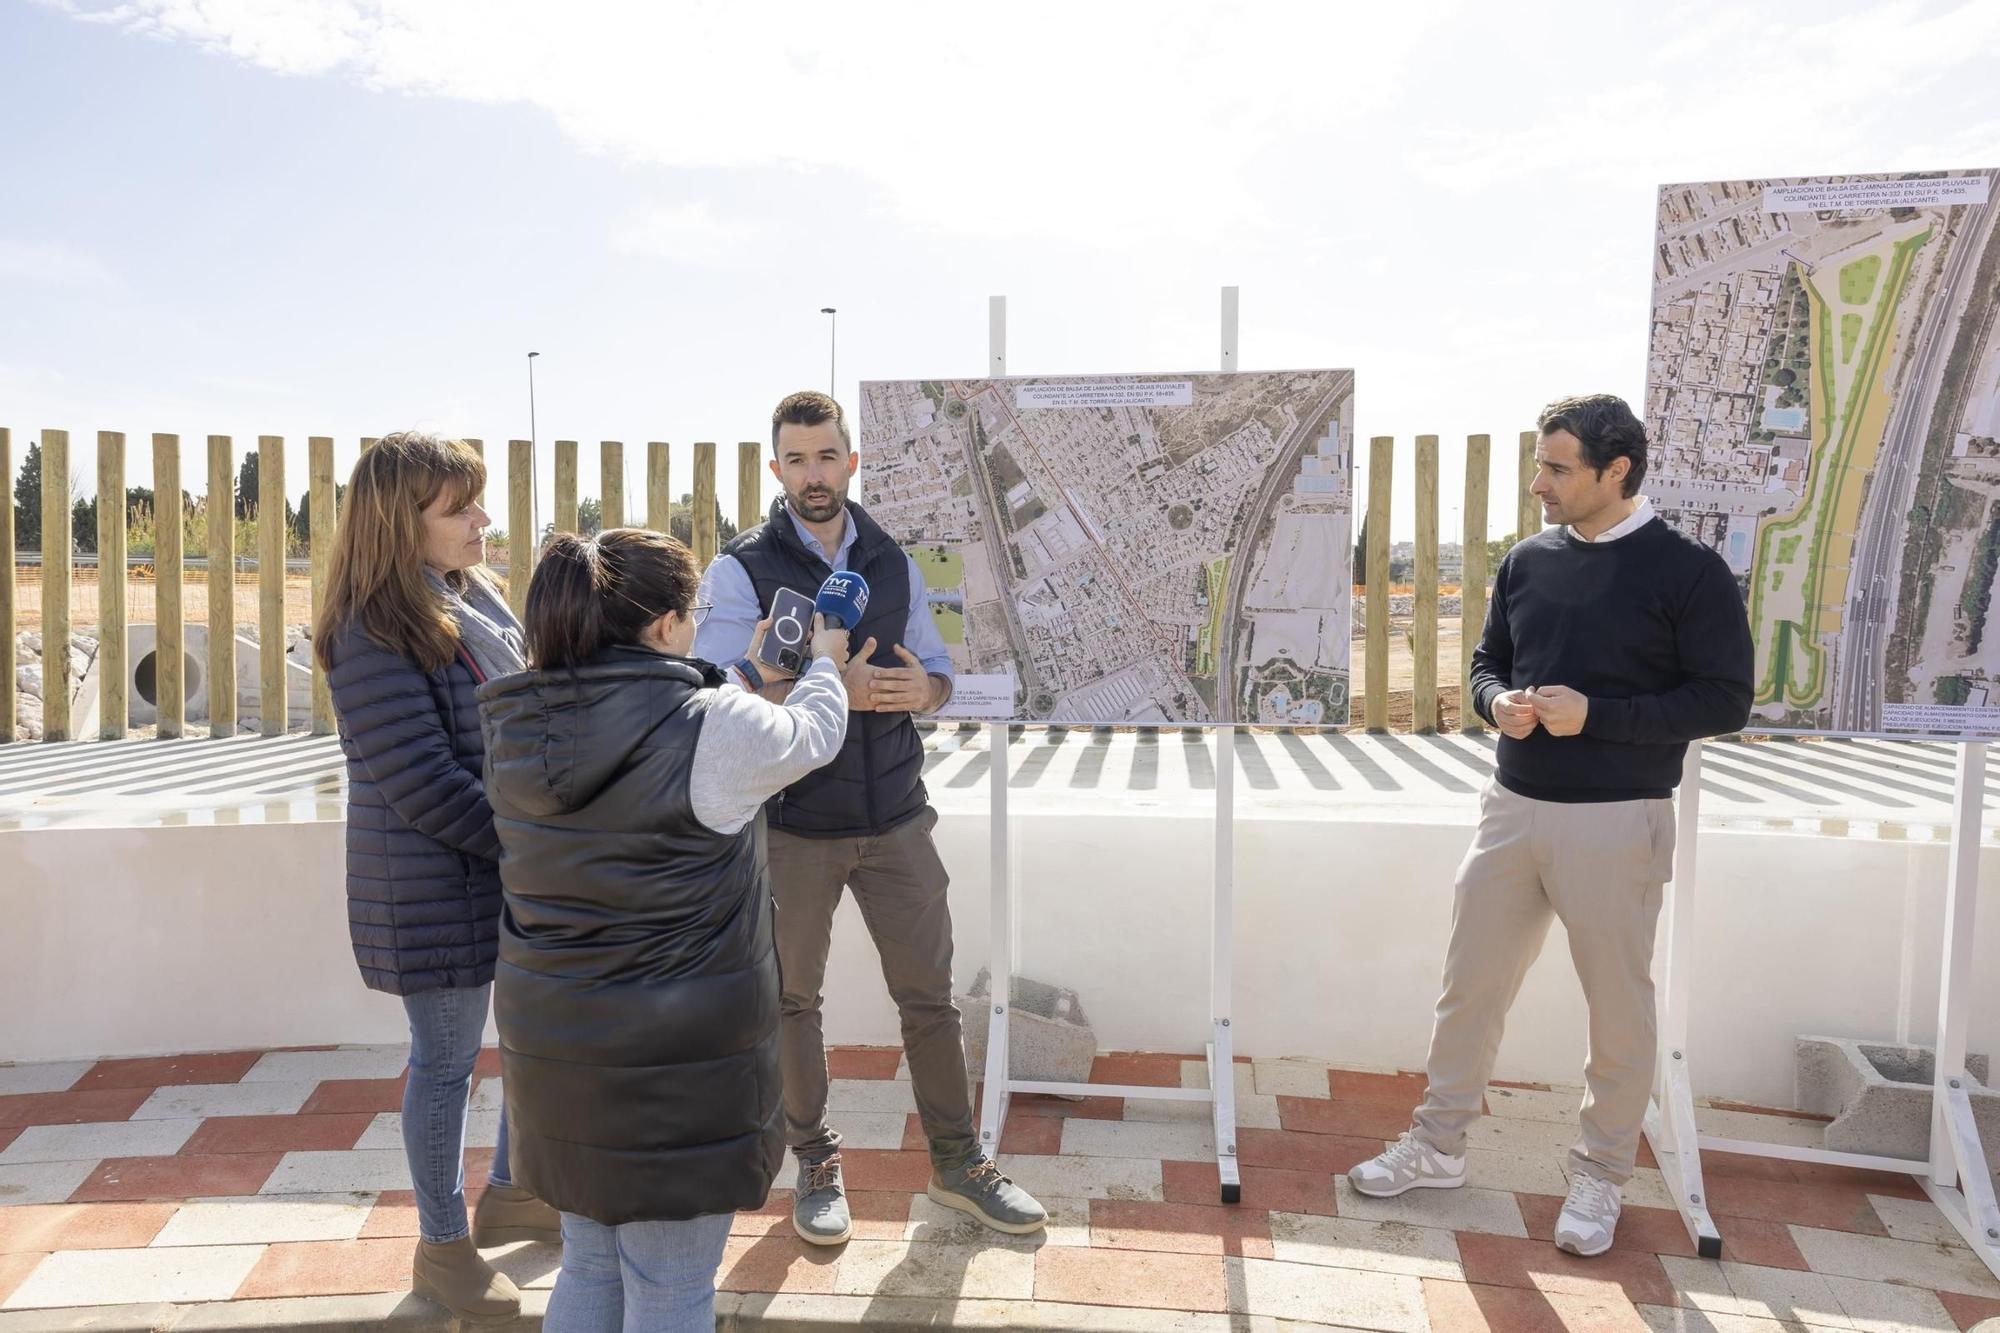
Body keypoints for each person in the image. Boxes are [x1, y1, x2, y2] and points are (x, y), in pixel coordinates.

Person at [1346, 394, 1753, 1258]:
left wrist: (1594, 714)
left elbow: (1725, 701)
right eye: (1539, 465)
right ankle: (1439, 1145)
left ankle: (1601, 1177)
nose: (1538, 484)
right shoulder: (1526, 560)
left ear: (1617, 471)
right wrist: (1499, 705)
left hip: (1618, 818)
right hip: (1511, 807)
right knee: (1470, 989)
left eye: (1557, 468)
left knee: (1617, 1010)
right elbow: (1489, 661)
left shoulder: (1688, 571)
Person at [693, 390, 1048, 1245]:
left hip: (896, 816)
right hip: (791, 826)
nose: (814, 474)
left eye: (827, 456)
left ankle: (959, 1164)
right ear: (774, 468)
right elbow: (711, 692)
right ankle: (814, 1162)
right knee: (791, 1001)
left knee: (929, 999)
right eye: (796, 458)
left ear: (851, 462)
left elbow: (936, 668)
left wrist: (920, 690)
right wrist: (819, 685)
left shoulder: (890, 559)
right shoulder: (740, 568)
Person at [480, 527, 851, 1331]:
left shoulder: (518, 723)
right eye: (692, 613)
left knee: (588, 1264)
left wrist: (742, 674)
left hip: (559, 1060)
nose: (695, 627)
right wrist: (825, 657)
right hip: (677, 1080)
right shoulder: (715, 726)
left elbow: (646, 720)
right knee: (672, 1285)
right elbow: (815, 735)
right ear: (661, 627)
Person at [314, 432, 560, 1322]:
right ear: (397, 520)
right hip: (435, 880)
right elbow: (421, 783)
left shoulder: (473, 596)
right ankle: (444, 1249)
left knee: (527, 1041)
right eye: (459, 508)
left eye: (478, 501)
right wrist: (531, 844)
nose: (483, 521)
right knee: (447, 1062)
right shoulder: (371, 627)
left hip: (498, 867)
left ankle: (516, 1193)